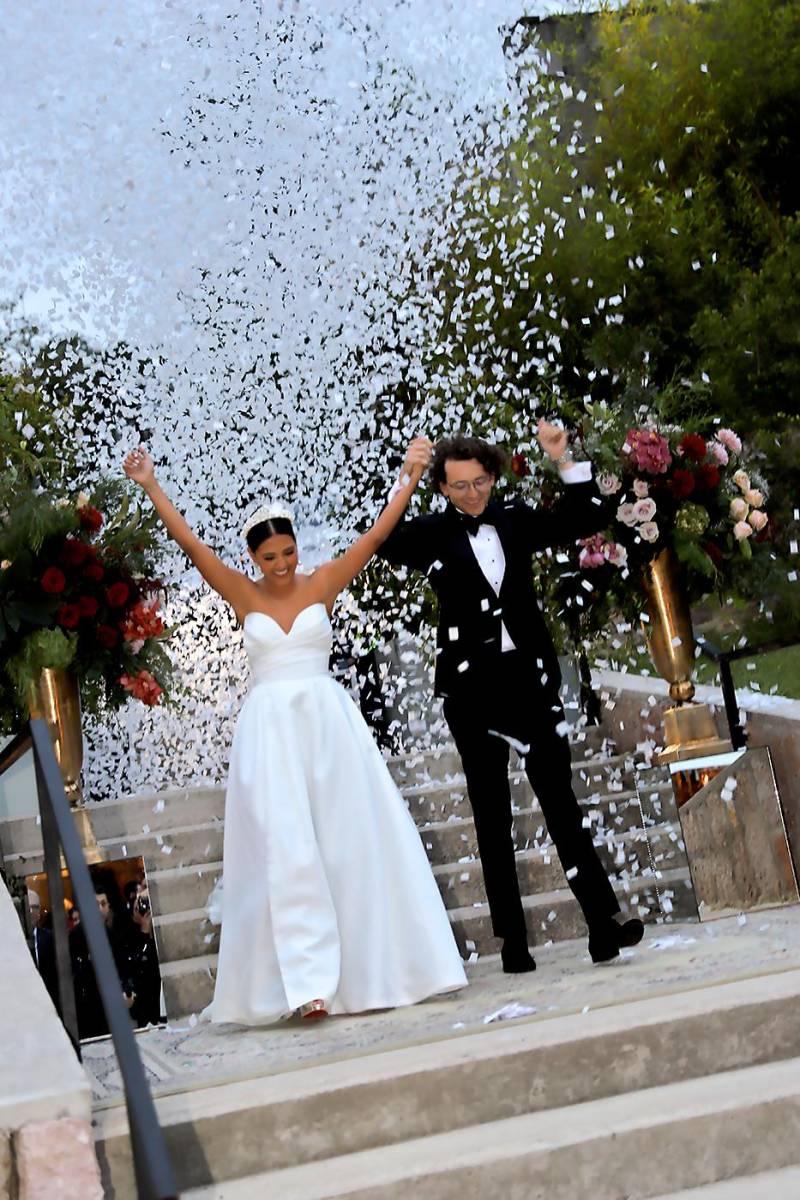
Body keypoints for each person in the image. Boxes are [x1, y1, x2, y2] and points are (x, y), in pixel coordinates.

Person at [123, 447, 466, 1024]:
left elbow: (378, 534)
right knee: (286, 850)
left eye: (288, 553)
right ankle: (305, 986)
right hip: (270, 735)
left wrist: (408, 476)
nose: (282, 564)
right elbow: (191, 545)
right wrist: (152, 485)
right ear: (253, 557)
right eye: (270, 556)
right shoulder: (241, 592)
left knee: (347, 841)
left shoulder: (323, 580)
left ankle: (371, 970)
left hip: (328, 727)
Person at [377, 422, 645, 971]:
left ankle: (603, 923)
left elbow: (586, 516)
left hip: (529, 679)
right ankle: (513, 942)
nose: (471, 494)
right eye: (458, 486)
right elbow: (382, 540)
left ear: (494, 478)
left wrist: (561, 457)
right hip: (469, 688)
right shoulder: (430, 532)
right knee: (491, 814)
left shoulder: (517, 519)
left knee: (560, 800)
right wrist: (407, 474)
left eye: (479, 482)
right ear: (443, 489)